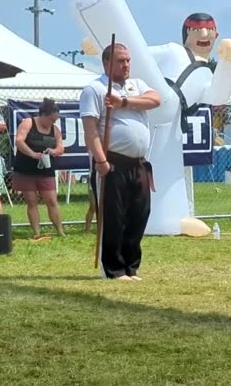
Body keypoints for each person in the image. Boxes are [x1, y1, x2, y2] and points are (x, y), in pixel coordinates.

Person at [81, 43, 162, 280]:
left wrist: (124, 102)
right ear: (106, 63)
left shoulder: (136, 85)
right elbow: (91, 130)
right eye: (120, 61)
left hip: (138, 163)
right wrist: (101, 160)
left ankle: (131, 265)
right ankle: (114, 269)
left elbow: (156, 99)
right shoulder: (94, 89)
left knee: (139, 214)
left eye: (128, 60)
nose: (126, 65)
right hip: (112, 162)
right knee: (114, 217)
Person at [12, 97, 66, 239]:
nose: (54, 122)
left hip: (46, 171)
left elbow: (61, 147)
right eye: (52, 119)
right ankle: (37, 232)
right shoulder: (28, 123)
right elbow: (19, 141)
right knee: (32, 201)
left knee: (52, 201)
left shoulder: (55, 129)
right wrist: (32, 154)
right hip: (26, 169)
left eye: (55, 120)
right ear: (43, 115)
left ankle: (60, 231)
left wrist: (54, 151)